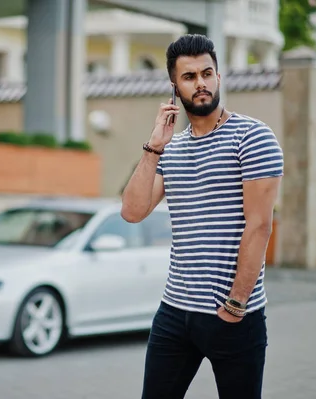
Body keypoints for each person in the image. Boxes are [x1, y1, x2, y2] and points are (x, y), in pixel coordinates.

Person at [121, 34, 284, 399]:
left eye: (207, 73)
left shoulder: (253, 137)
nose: (201, 84)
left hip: (233, 314)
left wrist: (237, 303)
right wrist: (154, 147)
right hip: (175, 312)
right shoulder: (172, 149)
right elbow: (132, 212)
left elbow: (259, 226)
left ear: (219, 77)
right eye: (190, 77)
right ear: (174, 87)